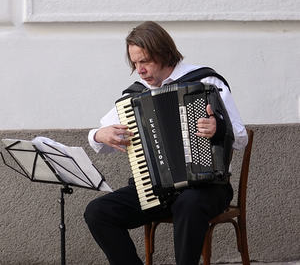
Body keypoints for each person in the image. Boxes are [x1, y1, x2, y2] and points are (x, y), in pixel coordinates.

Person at [84, 21, 248, 265]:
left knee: (188, 204)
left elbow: (241, 136)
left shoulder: (206, 82)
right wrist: (99, 134)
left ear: (165, 53)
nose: (139, 70)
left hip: (207, 188)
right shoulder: (136, 96)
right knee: (98, 212)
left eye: (145, 61)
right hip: (156, 191)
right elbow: (98, 139)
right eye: (135, 63)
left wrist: (218, 128)